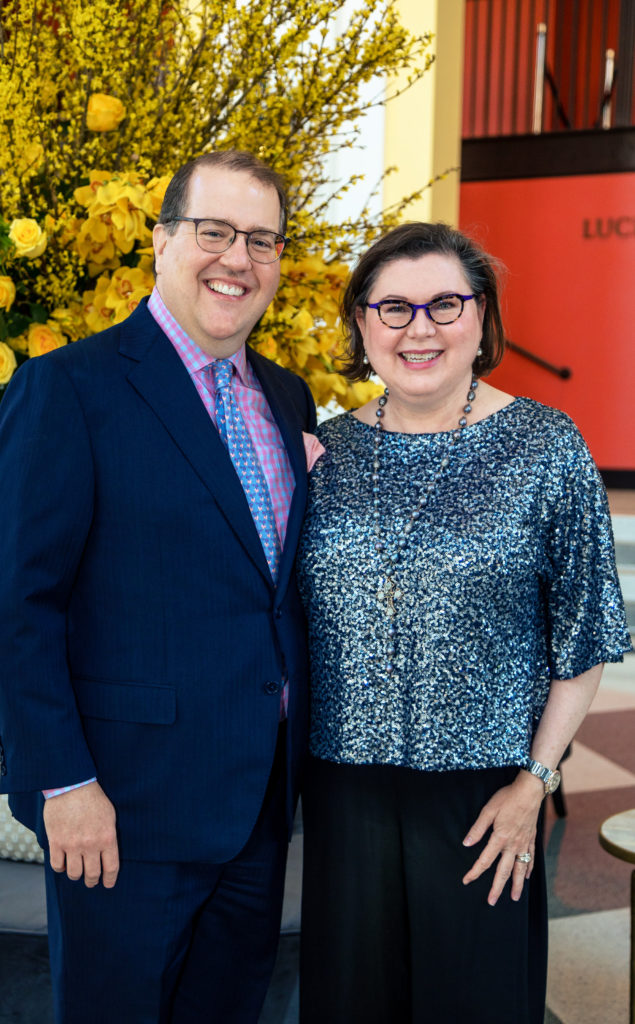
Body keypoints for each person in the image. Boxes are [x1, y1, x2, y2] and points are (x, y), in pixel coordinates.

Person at [0, 149, 317, 1024]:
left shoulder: (288, 398)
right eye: (214, 231)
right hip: (120, 811)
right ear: (161, 241)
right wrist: (63, 785)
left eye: (262, 240)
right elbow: (17, 607)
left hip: (256, 805)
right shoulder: (66, 388)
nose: (238, 259)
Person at [296, 221, 632, 1024]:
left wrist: (533, 784)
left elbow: (583, 638)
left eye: (444, 304)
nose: (419, 329)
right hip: (342, 794)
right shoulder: (321, 453)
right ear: (361, 324)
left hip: (484, 796)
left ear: (481, 317)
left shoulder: (544, 447)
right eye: (393, 308)